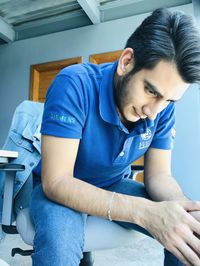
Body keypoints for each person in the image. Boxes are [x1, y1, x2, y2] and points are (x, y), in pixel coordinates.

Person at [31, 8, 200, 266]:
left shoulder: (162, 108)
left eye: (169, 100)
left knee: (191, 230)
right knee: (59, 249)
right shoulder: (74, 84)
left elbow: (159, 176)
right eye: (150, 90)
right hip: (60, 187)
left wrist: (184, 209)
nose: (153, 113)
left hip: (111, 184)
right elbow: (57, 182)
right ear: (126, 61)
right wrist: (143, 212)